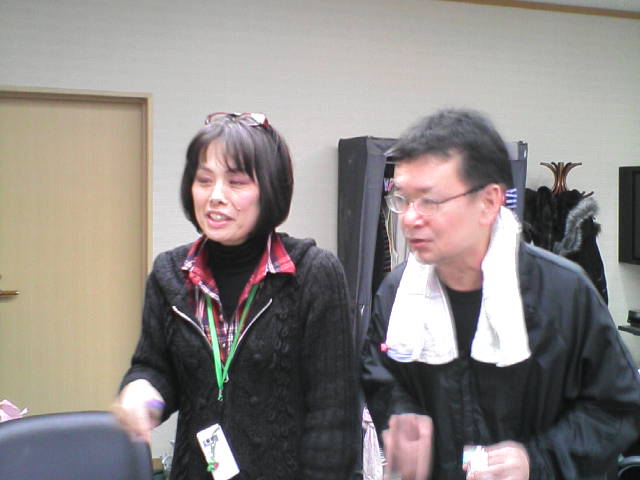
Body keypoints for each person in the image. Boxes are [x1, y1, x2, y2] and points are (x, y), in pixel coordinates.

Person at [361, 108, 640, 480]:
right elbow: (381, 375)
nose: (409, 218)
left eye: (429, 200)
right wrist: (401, 414)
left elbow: (617, 407)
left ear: (489, 202)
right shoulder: (397, 293)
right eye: (403, 198)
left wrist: (537, 461)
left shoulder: (563, 292)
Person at [113, 112, 358, 480]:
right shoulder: (170, 274)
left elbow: (333, 420)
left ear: (270, 190)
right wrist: (142, 393)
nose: (215, 197)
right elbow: (155, 368)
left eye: (236, 182)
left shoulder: (312, 274)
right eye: (204, 180)